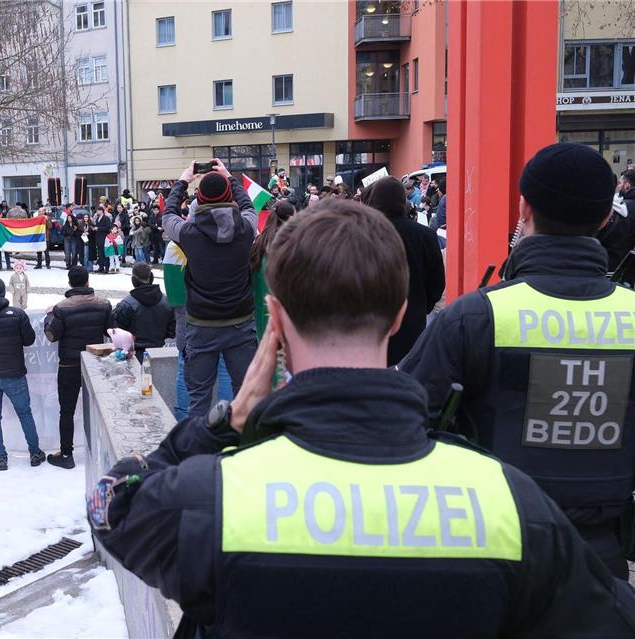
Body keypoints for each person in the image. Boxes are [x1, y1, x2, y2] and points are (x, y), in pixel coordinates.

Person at [89, 199, 635, 638]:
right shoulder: (511, 505)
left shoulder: (213, 499)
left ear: (274, 314)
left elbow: (111, 502)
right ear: (400, 313)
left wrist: (223, 425)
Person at [400, 143, 635, 579]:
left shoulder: (474, 317)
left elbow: (403, 420)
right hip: (601, 562)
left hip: (492, 553)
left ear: (523, 207)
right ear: (605, 218)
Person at [162, 159, 258, 418]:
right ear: (230, 195)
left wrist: (183, 180)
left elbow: (168, 216)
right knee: (245, 394)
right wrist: (231, 178)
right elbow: (249, 206)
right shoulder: (247, 227)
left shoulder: (187, 233)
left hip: (201, 325)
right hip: (240, 324)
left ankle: (198, 452)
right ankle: (242, 451)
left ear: (199, 200)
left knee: (199, 401)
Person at [362, 177, 445, 365]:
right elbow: (437, 283)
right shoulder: (426, 236)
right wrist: (422, 307)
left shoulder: (363, 232)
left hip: (369, 325)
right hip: (412, 323)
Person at [44, 266, 113, 469]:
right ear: (87, 282)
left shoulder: (62, 307)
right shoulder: (104, 304)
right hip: (95, 361)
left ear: (70, 283)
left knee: (67, 410)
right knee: (102, 409)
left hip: (69, 364)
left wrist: (49, 317)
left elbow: (51, 335)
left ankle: (67, 454)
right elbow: (110, 330)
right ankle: (106, 450)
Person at [0, 276, 45, 470]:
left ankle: (0, 457)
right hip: (14, 373)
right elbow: (29, 340)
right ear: (3, 293)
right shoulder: (17, 314)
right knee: (25, 413)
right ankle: (35, 452)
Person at [250, 200, 295, 336]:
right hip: (286, 313)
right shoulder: (292, 246)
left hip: (260, 312)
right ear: (290, 219)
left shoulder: (258, 243)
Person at [114, 263, 174, 362]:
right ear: (151, 277)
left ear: (133, 279)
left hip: (133, 356)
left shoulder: (126, 304)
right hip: (160, 353)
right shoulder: (167, 302)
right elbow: (172, 331)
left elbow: (119, 332)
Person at [93, 206, 113, 274]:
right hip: (98, 237)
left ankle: (106, 267)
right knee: (100, 253)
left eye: (98, 211)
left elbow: (107, 228)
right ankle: (101, 266)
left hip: (104, 237)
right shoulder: (97, 218)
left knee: (105, 253)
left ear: (101, 211)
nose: (97, 212)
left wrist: (98, 228)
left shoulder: (106, 218)